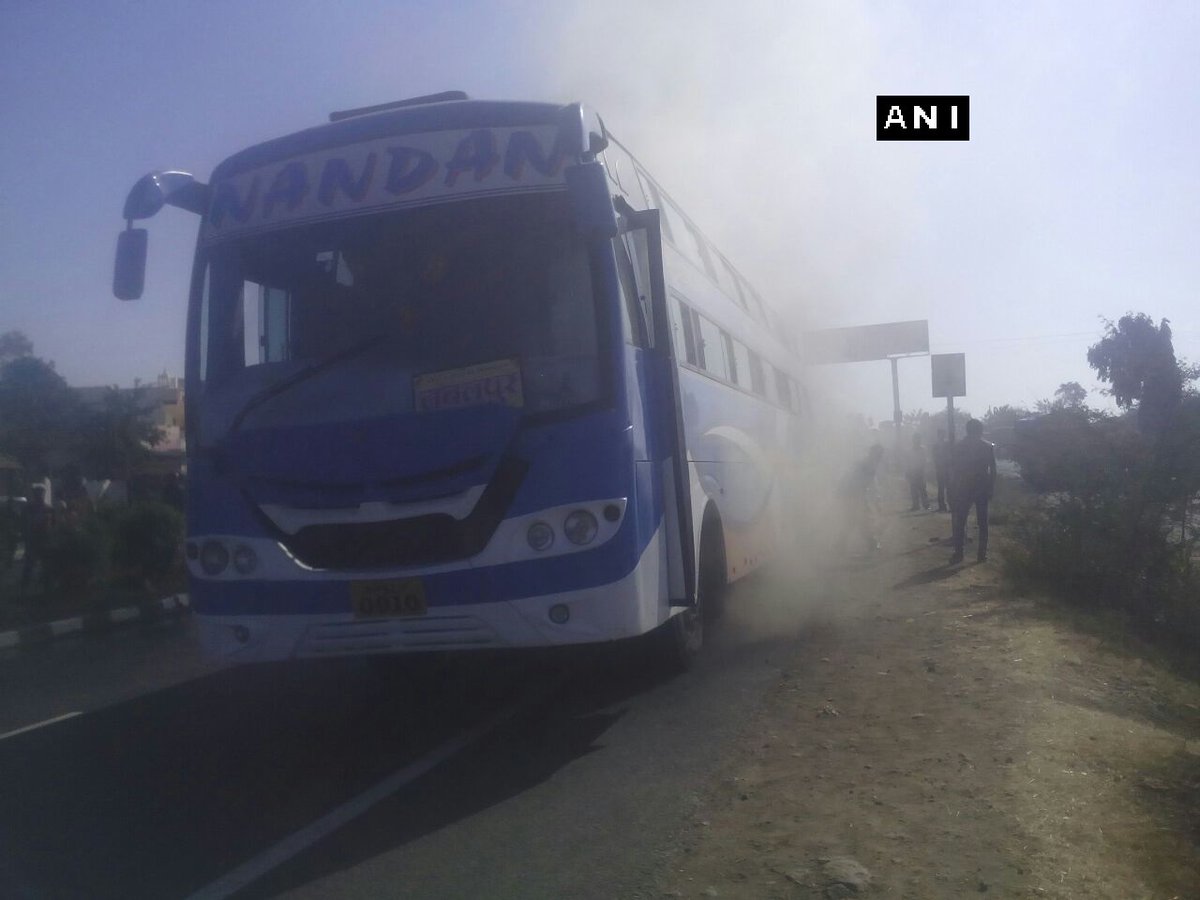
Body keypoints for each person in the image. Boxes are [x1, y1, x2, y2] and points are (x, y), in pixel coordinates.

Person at [948, 419, 997, 564]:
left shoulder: (959, 447)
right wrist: (991, 488)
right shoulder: (987, 447)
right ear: (980, 431)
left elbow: (954, 470)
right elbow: (993, 471)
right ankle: (981, 554)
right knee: (983, 523)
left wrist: (953, 488)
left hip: (964, 488)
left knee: (961, 521)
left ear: (967, 430)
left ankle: (959, 553)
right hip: (982, 488)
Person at [837, 444, 885, 554]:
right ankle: (871, 543)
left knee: (853, 520)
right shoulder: (867, 464)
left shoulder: (868, 463)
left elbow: (869, 484)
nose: (880, 457)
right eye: (879, 455)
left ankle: (840, 544)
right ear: (873, 454)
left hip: (853, 494)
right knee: (861, 519)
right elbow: (862, 483)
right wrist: (875, 501)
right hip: (853, 494)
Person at [20, 484, 53, 593]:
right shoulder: (28, 508)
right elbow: (24, 523)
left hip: (44, 539)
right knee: (30, 563)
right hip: (33, 538)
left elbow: (52, 524)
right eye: (37, 492)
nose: (39, 495)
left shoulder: (48, 509)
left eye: (41, 492)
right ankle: (24, 587)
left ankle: (46, 587)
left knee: (46, 563)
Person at [906, 433, 930, 511]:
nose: (916, 440)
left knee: (922, 489)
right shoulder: (910, 450)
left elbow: (925, 461)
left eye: (917, 439)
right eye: (915, 439)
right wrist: (908, 471)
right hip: (913, 471)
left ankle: (926, 505)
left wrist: (925, 471)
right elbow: (908, 462)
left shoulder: (923, 449)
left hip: (921, 471)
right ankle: (916, 505)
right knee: (914, 489)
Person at [932, 429, 951, 511]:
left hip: (946, 468)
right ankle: (942, 506)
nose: (942, 436)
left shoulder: (947, 444)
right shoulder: (936, 445)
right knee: (941, 488)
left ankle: (950, 505)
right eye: (940, 434)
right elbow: (934, 457)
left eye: (942, 434)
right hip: (940, 468)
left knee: (948, 488)